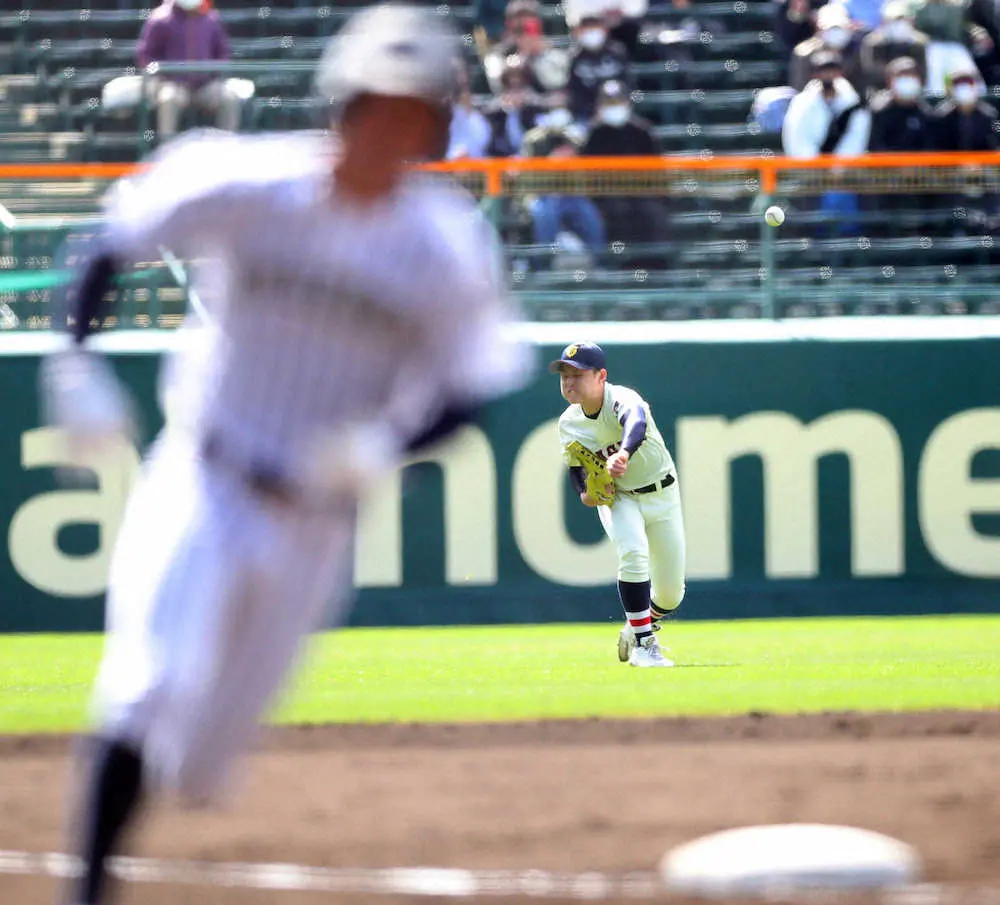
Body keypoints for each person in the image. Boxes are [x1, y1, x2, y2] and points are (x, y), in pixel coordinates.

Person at [42, 7, 530, 905]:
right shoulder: (243, 181)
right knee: (144, 689)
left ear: (432, 129)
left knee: (199, 760)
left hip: (315, 522)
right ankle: (86, 891)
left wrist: (388, 445)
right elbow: (110, 243)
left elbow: (476, 383)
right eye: (379, 105)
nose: (392, 128)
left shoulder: (442, 244)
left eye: (412, 113)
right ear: (343, 103)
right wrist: (74, 362)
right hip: (206, 474)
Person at [552, 342, 685, 669]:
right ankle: (644, 646)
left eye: (578, 374)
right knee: (633, 553)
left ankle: (637, 624)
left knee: (670, 594)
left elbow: (635, 423)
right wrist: (585, 493)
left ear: (601, 376)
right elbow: (576, 470)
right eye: (564, 375)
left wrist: (623, 453)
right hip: (621, 497)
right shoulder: (569, 423)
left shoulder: (622, 398)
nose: (569, 382)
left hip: (662, 492)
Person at [137, 0, 242, 139]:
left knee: (229, 99)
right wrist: (162, 76)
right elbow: (146, 55)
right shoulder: (159, 18)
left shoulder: (211, 19)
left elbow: (223, 52)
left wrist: (215, 73)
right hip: (173, 84)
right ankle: (166, 149)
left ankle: (228, 146)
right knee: (168, 100)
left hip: (206, 85)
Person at [524, 127, 607, 261]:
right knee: (546, 215)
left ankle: (600, 265)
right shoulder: (535, 141)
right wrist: (551, 163)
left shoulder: (573, 140)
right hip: (542, 196)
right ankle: (543, 267)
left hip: (572, 196)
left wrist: (569, 159)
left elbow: (582, 180)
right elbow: (530, 180)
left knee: (591, 217)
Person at [783, 50, 872, 158]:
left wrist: (838, 166)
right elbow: (796, 137)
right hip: (809, 169)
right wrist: (815, 164)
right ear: (814, 74)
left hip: (846, 170)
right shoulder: (801, 103)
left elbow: (857, 138)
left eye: (833, 70)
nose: (828, 74)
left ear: (840, 72)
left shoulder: (854, 104)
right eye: (823, 70)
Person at [484, 0, 569, 95]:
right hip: (511, 105)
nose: (523, 22)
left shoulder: (553, 53)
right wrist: (522, 56)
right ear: (508, 23)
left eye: (529, 16)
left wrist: (539, 54)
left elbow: (556, 82)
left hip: (545, 103)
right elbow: (497, 86)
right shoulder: (498, 54)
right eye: (518, 17)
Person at [566, 14, 631, 122]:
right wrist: (592, 111)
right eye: (588, 29)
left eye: (594, 28)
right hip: (585, 114)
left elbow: (627, 83)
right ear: (579, 31)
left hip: (617, 107)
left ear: (604, 30)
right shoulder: (574, 57)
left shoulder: (617, 52)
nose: (592, 33)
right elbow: (574, 90)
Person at [859, 0, 930, 95]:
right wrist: (896, 76)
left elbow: (922, 73)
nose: (900, 24)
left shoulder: (918, 44)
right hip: (880, 92)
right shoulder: (873, 43)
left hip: (912, 92)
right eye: (895, 20)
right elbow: (872, 73)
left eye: (903, 20)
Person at [790, 3, 865, 90]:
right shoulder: (804, 53)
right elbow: (799, 86)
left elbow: (861, 86)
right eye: (831, 29)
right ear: (819, 29)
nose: (836, 33)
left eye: (839, 28)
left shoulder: (856, 51)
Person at [484, 55, 548, 156]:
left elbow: (541, 103)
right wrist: (505, 105)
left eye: (518, 75)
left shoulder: (529, 93)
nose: (515, 80)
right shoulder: (502, 96)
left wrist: (524, 103)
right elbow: (489, 108)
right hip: (506, 144)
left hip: (528, 139)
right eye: (511, 76)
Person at [869, 56, 934, 150]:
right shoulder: (878, 113)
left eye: (912, 75)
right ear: (889, 82)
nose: (907, 80)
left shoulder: (929, 113)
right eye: (902, 76)